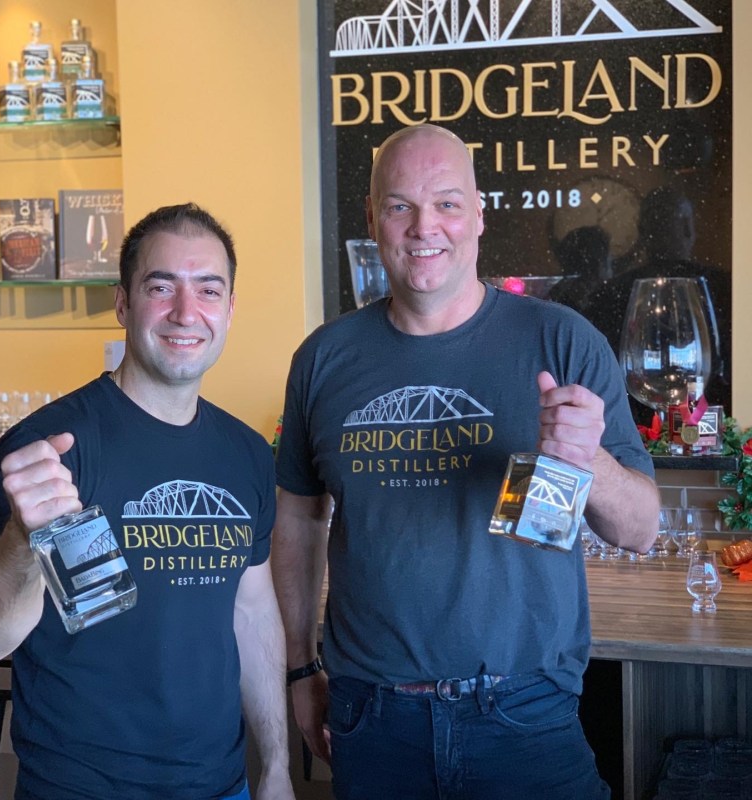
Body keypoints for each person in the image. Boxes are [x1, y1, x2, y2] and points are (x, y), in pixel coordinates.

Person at [272, 125, 659, 800]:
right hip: (372, 719)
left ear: (479, 214)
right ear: (372, 217)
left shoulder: (561, 341)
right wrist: (300, 669)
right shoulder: (323, 359)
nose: (425, 227)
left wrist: (588, 461)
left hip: (525, 712)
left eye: (447, 204)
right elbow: (300, 522)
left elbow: (640, 529)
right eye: (400, 206)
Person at [0, 203, 295, 800]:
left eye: (208, 290)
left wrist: (275, 767)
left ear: (229, 310)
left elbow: (251, 611)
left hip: (222, 785)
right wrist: (22, 539)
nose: (186, 312)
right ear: (122, 303)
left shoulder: (245, 453)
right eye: (161, 287)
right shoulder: (51, 448)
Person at [583, 186, 732, 418]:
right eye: (680, 222)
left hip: (701, 420)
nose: (687, 231)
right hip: (634, 421)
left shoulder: (721, 287)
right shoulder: (614, 293)